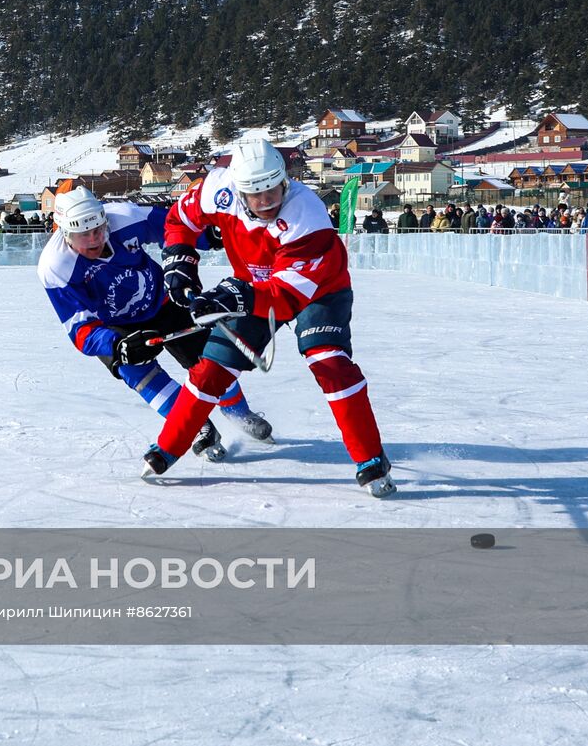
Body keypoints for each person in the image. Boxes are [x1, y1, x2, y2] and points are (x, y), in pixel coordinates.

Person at [148, 138, 395, 498]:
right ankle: (168, 447)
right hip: (253, 286)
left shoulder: (307, 218)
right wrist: (180, 261)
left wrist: (235, 296)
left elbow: (285, 297)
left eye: (273, 190)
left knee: (329, 361)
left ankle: (370, 459)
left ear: (284, 180)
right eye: (255, 194)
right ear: (237, 190)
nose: (267, 201)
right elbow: (179, 222)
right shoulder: (216, 189)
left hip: (317, 288)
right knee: (212, 368)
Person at [39, 187, 272, 466]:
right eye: (83, 235)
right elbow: (78, 327)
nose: (94, 240)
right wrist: (115, 345)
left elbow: (173, 227)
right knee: (135, 371)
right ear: (64, 233)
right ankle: (198, 427)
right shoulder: (55, 267)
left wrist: (208, 236)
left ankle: (239, 413)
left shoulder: (124, 217)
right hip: (116, 327)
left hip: (162, 303)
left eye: (99, 230)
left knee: (208, 361)